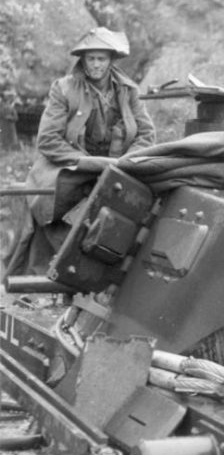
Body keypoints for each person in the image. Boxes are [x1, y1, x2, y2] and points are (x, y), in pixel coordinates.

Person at [5, 27, 155, 277]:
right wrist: (91, 163)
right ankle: (45, 276)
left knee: (132, 216)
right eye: (91, 58)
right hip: (70, 168)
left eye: (102, 58)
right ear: (83, 60)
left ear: (111, 60)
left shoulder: (128, 91)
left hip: (118, 169)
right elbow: (48, 140)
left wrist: (126, 162)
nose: (96, 65)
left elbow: (147, 135)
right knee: (50, 216)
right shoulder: (64, 88)